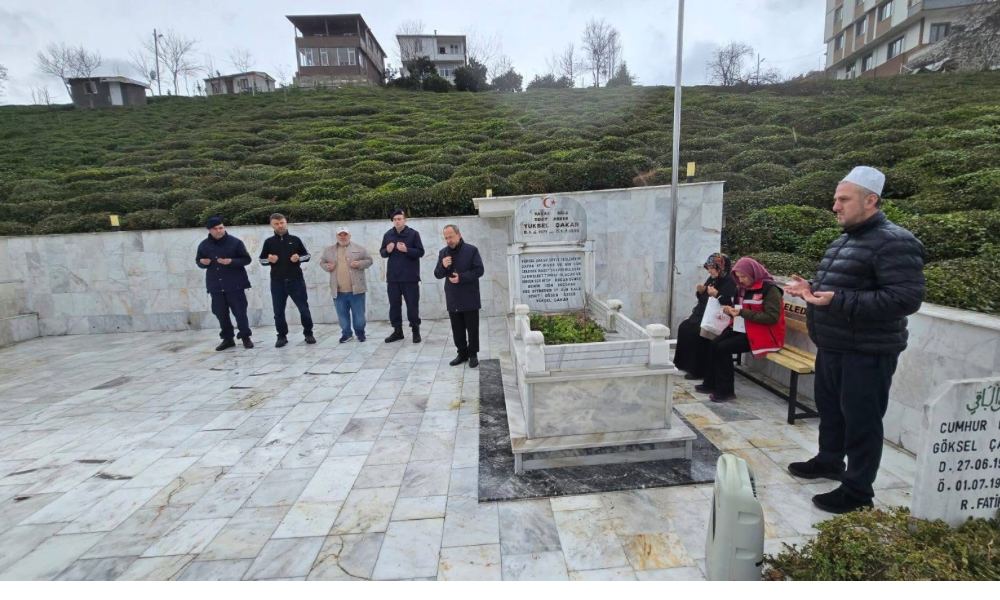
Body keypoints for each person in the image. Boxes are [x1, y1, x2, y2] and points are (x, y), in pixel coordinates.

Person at [785, 166, 926, 514]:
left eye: (843, 199)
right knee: (831, 412)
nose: (835, 206)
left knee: (862, 422)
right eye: (836, 199)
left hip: (867, 351)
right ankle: (829, 461)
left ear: (870, 200)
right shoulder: (845, 240)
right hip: (834, 345)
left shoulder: (896, 241)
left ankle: (858, 491)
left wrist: (838, 300)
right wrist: (810, 289)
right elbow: (843, 287)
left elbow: (905, 299)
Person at [695, 257, 785, 403]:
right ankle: (710, 383)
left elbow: (771, 317)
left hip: (763, 334)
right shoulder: (742, 288)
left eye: (744, 276)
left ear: (753, 273)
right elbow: (737, 307)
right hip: (742, 327)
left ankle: (726, 391)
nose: (741, 280)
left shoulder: (770, 289)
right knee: (714, 343)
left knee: (723, 348)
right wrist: (730, 310)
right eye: (739, 277)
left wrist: (742, 313)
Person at [673, 253, 738, 381]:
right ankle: (683, 364)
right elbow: (703, 298)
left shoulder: (730, 280)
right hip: (703, 313)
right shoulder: (713, 278)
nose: (709, 270)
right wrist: (701, 291)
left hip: (718, 317)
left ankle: (698, 370)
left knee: (698, 332)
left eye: (712, 268)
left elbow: (729, 301)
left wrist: (717, 295)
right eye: (708, 268)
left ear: (721, 267)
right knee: (684, 327)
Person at [195, 216, 254, 350]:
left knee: (240, 312)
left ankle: (245, 337)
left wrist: (231, 261)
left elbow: (246, 259)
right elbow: (199, 261)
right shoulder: (204, 245)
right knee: (220, 314)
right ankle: (228, 339)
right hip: (216, 286)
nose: (219, 231)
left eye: (221, 227)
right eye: (215, 229)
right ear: (210, 230)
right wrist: (202, 263)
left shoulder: (235, 242)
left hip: (235, 285)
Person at [258, 213, 315, 348]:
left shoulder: (295, 240)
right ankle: (282, 336)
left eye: (282, 223)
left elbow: (307, 256)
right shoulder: (269, 242)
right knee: (278, 312)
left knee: (304, 309)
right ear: (272, 225)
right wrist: (270, 260)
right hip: (277, 282)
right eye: (277, 224)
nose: (280, 226)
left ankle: (308, 333)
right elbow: (261, 260)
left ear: (286, 223)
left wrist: (298, 258)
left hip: (296, 281)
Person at [434, 224, 485, 368]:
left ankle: (473, 354)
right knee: (457, 328)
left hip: (469, 296)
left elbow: (479, 270)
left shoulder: (471, 250)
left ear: (459, 235)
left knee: (472, 328)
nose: (448, 240)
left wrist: (461, 277)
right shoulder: (443, 253)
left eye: (451, 237)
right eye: (446, 238)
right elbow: (437, 274)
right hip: (453, 297)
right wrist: (443, 265)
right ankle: (462, 353)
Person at [320, 226, 374, 343]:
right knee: (342, 315)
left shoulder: (359, 248)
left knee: (359, 315)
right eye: (340, 235)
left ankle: (360, 333)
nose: (343, 237)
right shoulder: (328, 250)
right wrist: (327, 266)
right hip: (338, 290)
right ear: (336, 236)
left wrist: (359, 264)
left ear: (349, 236)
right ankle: (346, 334)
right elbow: (322, 262)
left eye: (345, 234)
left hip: (357, 289)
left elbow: (369, 261)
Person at [380, 208, 425, 344]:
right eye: (395, 219)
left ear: (405, 220)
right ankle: (397, 331)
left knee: (412, 305)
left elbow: (420, 252)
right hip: (393, 278)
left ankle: (415, 330)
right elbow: (382, 252)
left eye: (399, 219)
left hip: (410, 277)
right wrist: (387, 250)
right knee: (394, 305)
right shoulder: (388, 235)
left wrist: (406, 250)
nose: (397, 221)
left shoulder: (413, 234)